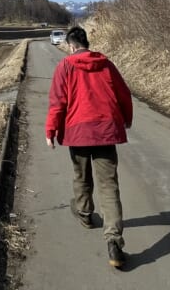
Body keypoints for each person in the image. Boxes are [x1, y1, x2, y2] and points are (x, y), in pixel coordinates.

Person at [45, 25, 133, 268]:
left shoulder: (65, 66)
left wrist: (50, 130)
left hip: (78, 130)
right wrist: (126, 118)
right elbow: (123, 94)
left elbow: (57, 102)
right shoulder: (106, 64)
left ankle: (85, 215)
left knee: (81, 177)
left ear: (71, 46)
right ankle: (114, 240)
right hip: (106, 129)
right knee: (109, 185)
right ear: (86, 43)